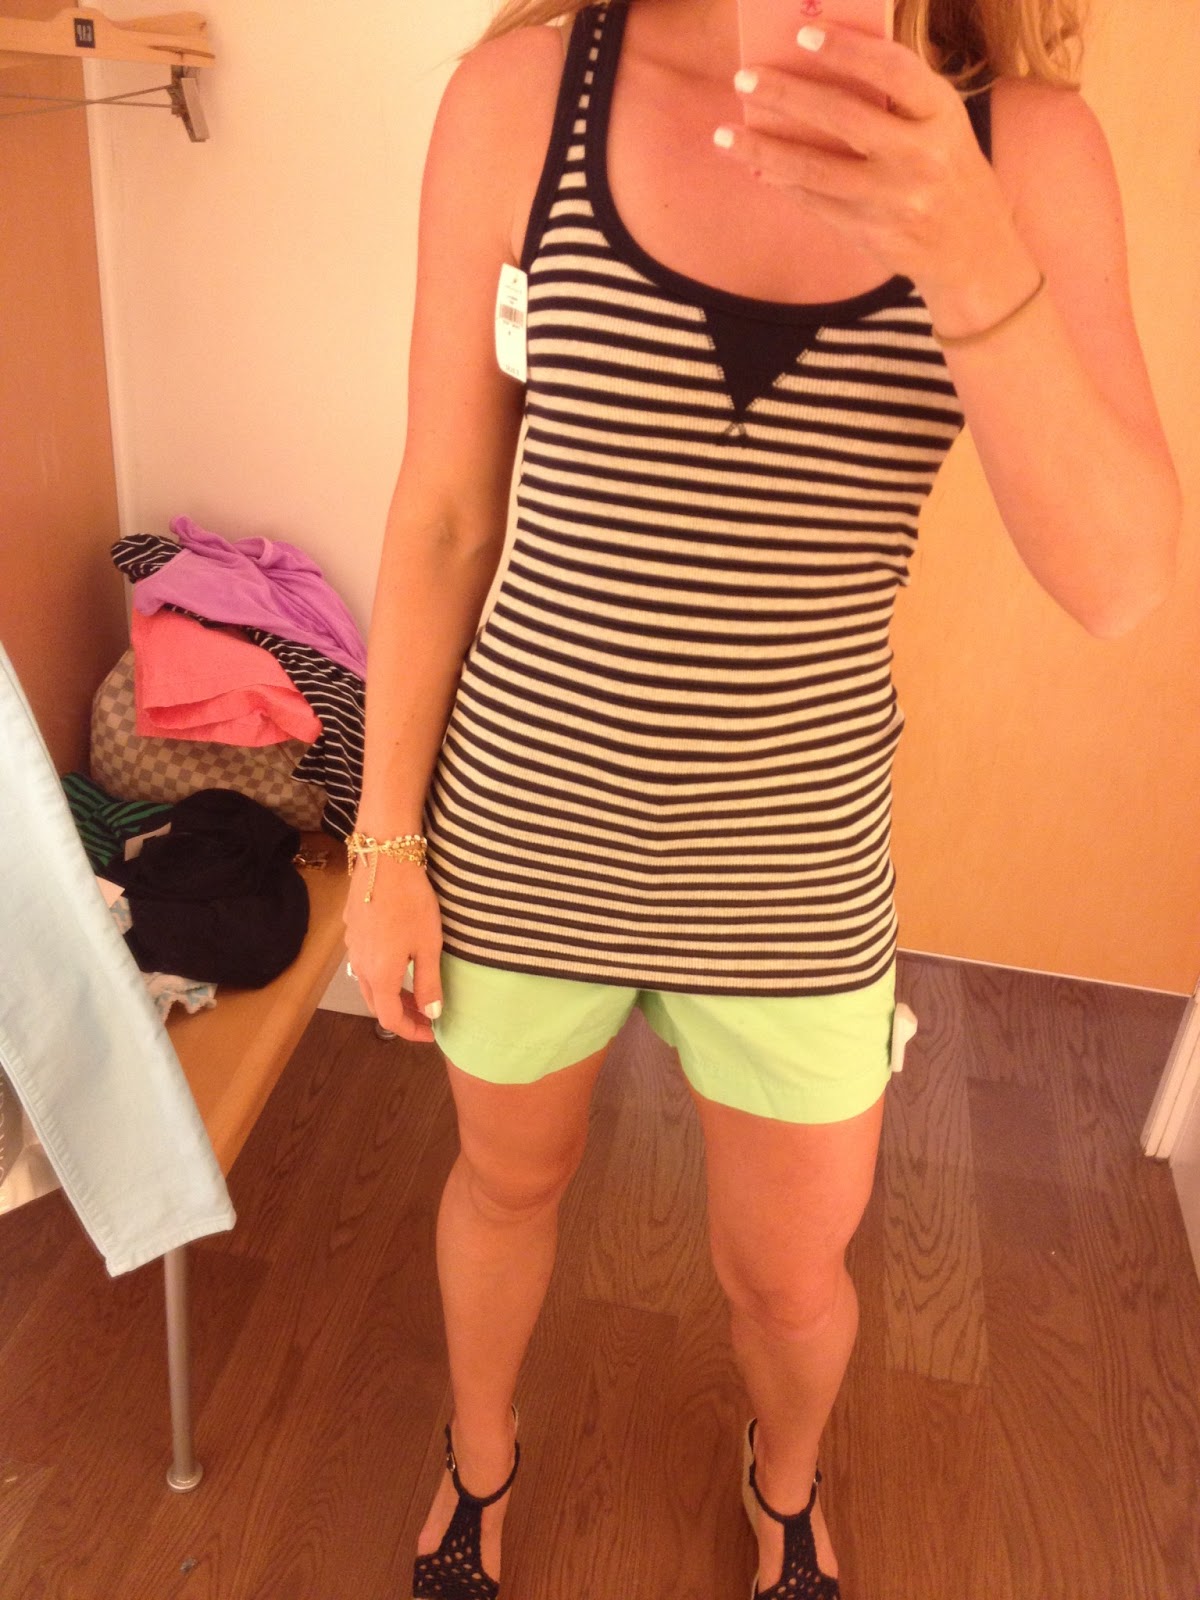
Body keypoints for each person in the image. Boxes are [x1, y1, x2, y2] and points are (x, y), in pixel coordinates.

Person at [343, 0, 1180, 1594]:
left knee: (792, 1279)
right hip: (525, 822)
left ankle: (785, 1491)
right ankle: (478, 1461)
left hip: (793, 861)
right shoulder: (525, 95)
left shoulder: (1024, 153)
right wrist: (386, 838)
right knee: (506, 1184)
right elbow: (445, 510)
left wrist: (967, 250)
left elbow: (1121, 581)